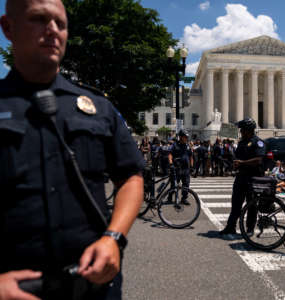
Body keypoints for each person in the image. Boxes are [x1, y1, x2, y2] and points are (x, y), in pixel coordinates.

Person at [0, 0, 145, 299]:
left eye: (61, 23)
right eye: (39, 19)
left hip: (93, 285)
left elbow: (130, 175)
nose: (53, 30)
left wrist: (114, 238)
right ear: (8, 28)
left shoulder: (98, 107)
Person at [219, 118, 266, 235]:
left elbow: (259, 160)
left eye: (242, 130)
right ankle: (231, 226)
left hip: (253, 177)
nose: (240, 132)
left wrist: (242, 163)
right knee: (236, 203)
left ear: (249, 130)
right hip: (241, 177)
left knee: (252, 204)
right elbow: (238, 157)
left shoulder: (258, 142)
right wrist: (234, 164)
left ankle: (250, 229)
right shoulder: (241, 142)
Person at [168, 129, 193, 204]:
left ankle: (184, 198)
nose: (186, 138)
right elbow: (170, 154)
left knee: (186, 184)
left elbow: (191, 156)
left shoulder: (187, 146)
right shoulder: (175, 145)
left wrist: (192, 167)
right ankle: (169, 196)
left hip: (186, 169)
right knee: (174, 184)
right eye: (185, 137)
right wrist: (171, 164)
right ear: (181, 137)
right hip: (177, 168)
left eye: (187, 137)